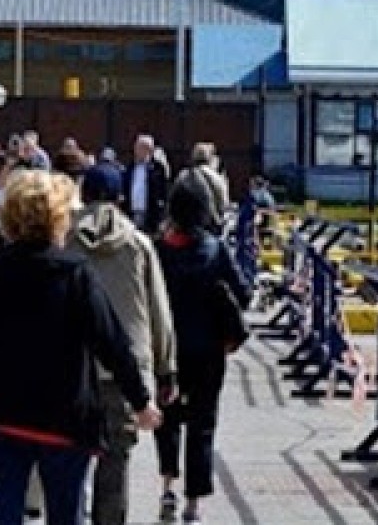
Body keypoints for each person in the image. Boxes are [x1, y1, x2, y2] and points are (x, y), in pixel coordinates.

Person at [0, 170, 162, 525]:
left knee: (1, 513)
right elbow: (111, 341)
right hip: (64, 420)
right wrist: (141, 400)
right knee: (67, 515)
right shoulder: (75, 274)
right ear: (58, 218)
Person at [67, 165, 176, 525]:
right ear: (120, 198)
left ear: (83, 194)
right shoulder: (138, 243)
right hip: (125, 368)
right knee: (115, 459)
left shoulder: (64, 238)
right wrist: (165, 369)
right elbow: (158, 310)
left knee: (70, 456)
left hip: (72, 364)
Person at [154, 172, 253, 525]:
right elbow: (243, 293)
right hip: (209, 351)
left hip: (167, 351)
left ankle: (167, 486)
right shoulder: (215, 250)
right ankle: (194, 503)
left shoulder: (159, 251)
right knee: (202, 424)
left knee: (166, 420)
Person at [174, 142, 231, 230]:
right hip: (209, 226)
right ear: (210, 158)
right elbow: (224, 203)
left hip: (185, 227)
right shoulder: (217, 177)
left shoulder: (183, 175)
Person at [127, 135, 171, 234]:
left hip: (150, 215)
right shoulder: (130, 167)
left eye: (139, 147)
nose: (135, 150)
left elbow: (163, 193)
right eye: (136, 147)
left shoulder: (158, 169)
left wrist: (162, 215)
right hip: (131, 214)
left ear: (148, 150)